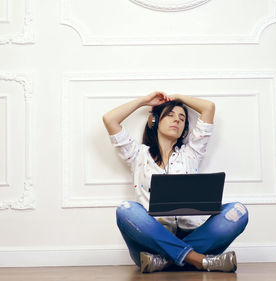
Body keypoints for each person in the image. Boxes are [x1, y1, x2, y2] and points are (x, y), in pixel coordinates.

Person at [102, 91, 249, 273]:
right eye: (170, 115)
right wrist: (144, 101)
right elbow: (110, 119)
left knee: (239, 211)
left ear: (184, 129)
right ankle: (198, 259)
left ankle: (165, 260)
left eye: (181, 118)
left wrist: (179, 97)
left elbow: (208, 108)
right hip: (151, 240)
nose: (177, 120)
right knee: (125, 210)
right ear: (154, 122)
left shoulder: (192, 153)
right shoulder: (137, 154)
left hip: (193, 235)